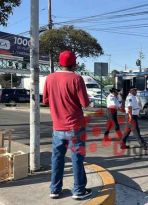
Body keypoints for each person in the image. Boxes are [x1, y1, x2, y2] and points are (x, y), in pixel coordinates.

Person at [43, 50, 92, 200]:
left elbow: (45, 101)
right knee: (77, 159)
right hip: (75, 126)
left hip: (57, 127)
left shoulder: (50, 78)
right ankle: (78, 191)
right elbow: (85, 103)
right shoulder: (77, 79)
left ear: (59, 63)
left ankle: (55, 190)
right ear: (74, 64)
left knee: (57, 159)